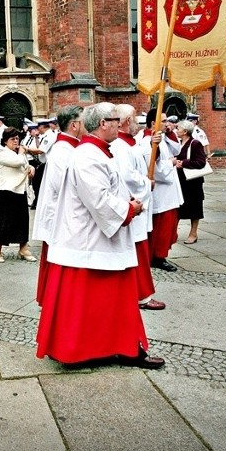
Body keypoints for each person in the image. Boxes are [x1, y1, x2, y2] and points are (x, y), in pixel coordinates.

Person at [36, 103, 163, 369]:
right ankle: (103, 349)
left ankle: (120, 346)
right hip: (89, 239)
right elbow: (99, 200)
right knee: (96, 302)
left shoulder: (99, 152)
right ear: (102, 124)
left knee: (111, 301)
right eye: (116, 120)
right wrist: (130, 208)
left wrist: (127, 199)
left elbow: (110, 189)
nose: (120, 125)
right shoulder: (87, 156)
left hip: (98, 237)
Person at [112, 104, 165, 311]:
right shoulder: (120, 146)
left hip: (136, 203)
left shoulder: (129, 144)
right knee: (137, 252)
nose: (138, 122)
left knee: (139, 250)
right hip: (133, 203)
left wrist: (153, 145)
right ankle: (142, 295)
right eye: (134, 118)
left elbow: (141, 157)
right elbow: (128, 175)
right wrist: (146, 183)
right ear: (126, 122)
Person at [32, 105, 83, 305]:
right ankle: (55, 299)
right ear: (74, 125)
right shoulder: (63, 151)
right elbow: (64, 186)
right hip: (60, 216)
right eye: (83, 121)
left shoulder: (70, 147)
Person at [0, 127, 36, 262]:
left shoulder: (17, 153)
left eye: (17, 138)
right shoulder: (2, 152)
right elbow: (18, 162)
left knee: (22, 220)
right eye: (13, 139)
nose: (16, 141)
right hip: (5, 191)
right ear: (5, 141)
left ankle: (23, 248)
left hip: (19, 190)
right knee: (3, 222)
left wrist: (31, 168)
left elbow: (25, 166)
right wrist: (23, 153)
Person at [140, 109, 182, 272]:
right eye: (164, 121)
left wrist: (170, 132)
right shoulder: (148, 142)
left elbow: (177, 150)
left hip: (169, 192)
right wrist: (170, 163)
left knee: (167, 227)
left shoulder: (161, 138)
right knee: (161, 230)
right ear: (153, 124)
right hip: (161, 192)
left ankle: (159, 255)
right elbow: (155, 169)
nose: (168, 123)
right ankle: (157, 257)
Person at [173, 120, 208, 245]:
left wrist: (184, 163)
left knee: (195, 207)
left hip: (193, 182)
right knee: (179, 207)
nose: (176, 130)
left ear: (185, 131)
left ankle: (193, 233)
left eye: (179, 129)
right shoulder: (179, 143)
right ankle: (173, 233)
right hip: (182, 181)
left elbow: (201, 162)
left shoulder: (195, 143)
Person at [26, 119, 55, 210]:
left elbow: (40, 150)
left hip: (46, 164)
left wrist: (26, 149)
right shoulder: (45, 136)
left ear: (42, 127)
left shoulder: (49, 136)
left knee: (41, 185)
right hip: (42, 164)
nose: (38, 129)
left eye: (38, 127)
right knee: (38, 184)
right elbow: (39, 147)